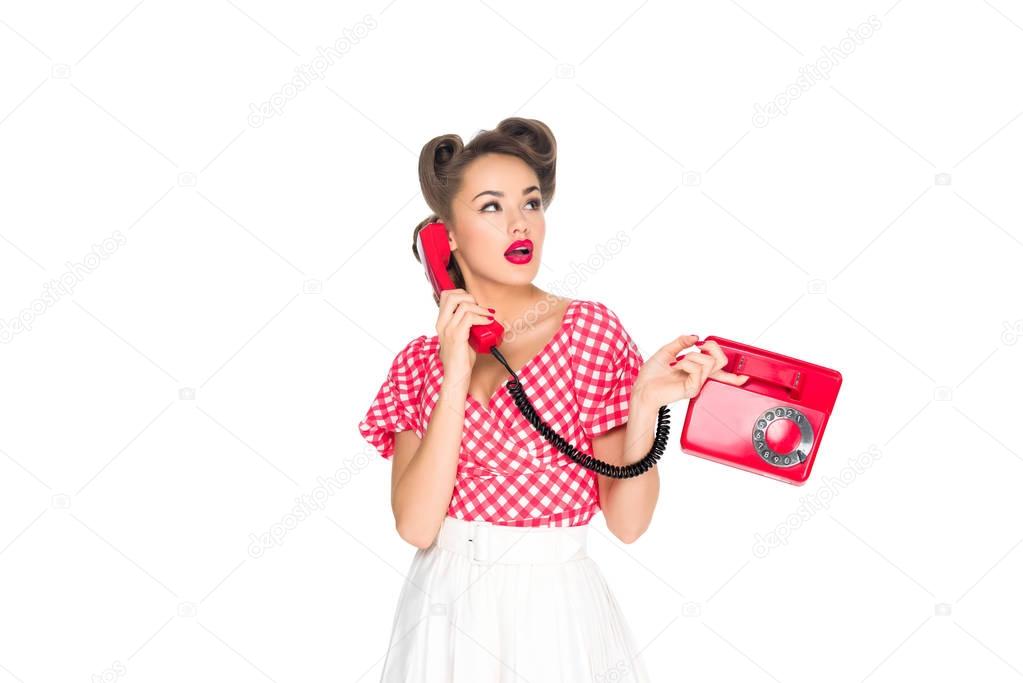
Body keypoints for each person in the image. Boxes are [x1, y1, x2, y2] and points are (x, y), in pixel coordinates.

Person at [358, 117, 748, 681]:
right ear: (444, 237)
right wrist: (455, 371)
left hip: (554, 606)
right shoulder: (420, 363)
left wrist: (644, 404)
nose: (520, 224)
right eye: (491, 207)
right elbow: (418, 527)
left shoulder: (590, 332)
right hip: (444, 605)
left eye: (532, 203)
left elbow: (629, 524)